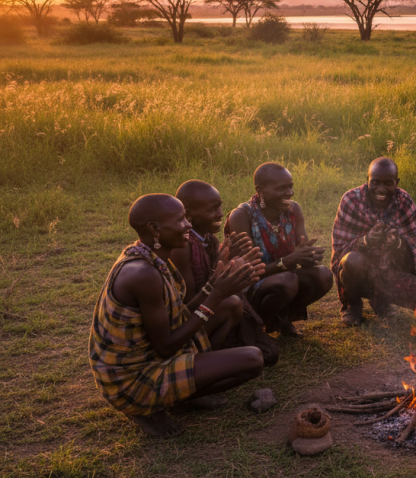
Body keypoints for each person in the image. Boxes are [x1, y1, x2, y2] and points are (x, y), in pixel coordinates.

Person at [89, 194, 265, 438]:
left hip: (153, 354)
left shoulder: (151, 257)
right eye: (180, 220)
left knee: (230, 306)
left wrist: (214, 286)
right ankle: (150, 408)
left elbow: (179, 315)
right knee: (253, 359)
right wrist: (215, 296)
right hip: (133, 380)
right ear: (155, 229)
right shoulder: (143, 274)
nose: (188, 225)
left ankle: (185, 392)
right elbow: (165, 346)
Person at [171, 180, 279, 365]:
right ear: (188, 215)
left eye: (220, 207)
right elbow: (188, 304)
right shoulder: (183, 246)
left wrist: (230, 266)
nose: (220, 214)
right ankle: (202, 358)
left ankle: (216, 350)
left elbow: (211, 276)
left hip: (207, 309)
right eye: (213, 209)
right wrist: (221, 276)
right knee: (233, 304)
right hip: (184, 322)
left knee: (267, 354)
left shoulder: (209, 239)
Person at [226, 163, 333, 337]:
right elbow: (246, 273)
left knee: (323, 275)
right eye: (281, 188)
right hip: (250, 285)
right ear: (260, 190)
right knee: (286, 280)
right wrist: (286, 262)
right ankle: (254, 327)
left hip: (285, 277)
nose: (289, 193)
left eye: (290, 187)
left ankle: (282, 318)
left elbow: (302, 245)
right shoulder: (241, 216)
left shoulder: (293, 209)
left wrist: (308, 255)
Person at [331, 157, 416, 326]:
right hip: (360, 273)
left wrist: (398, 243)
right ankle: (353, 305)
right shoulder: (351, 200)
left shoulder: (404, 201)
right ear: (367, 180)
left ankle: (382, 302)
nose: (381, 189)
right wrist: (366, 241)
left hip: (390, 273)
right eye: (375, 182)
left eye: (388, 183)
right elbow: (339, 253)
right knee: (352, 261)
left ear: (397, 182)